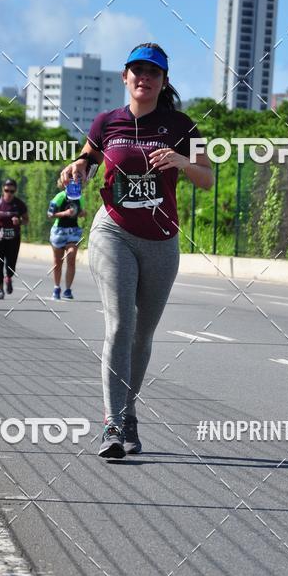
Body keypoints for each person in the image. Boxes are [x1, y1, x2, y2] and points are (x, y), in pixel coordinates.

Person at [60, 42, 213, 459]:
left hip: (162, 239)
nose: (144, 77)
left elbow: (207, 178)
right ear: (125, 77)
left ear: (164, 82)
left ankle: (128, 413)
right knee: (119, 326)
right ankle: (112, 424)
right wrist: (76, 168)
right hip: (114, 231)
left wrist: (181, 162)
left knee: (142, 335)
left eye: (153, 72)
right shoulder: (107, 122)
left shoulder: (181, 125)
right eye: (137, 70)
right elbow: (87, 162)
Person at [0, 178, 28, 300]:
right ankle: (0, 290)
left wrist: (19, 221)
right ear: (2, 189)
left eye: (12, 191)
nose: (9, 193)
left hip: (14, 239)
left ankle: (8, 277)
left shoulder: (19, 204)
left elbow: (27, 220)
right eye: (6, 190)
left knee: (11, 265)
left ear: (15, 191)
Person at [47, 178, 86, 300]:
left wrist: (81, 213)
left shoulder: (80, 198)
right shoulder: (60, 196)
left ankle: (68, 290)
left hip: (73, 231)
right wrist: (64, 213)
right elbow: (49, 214)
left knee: (71, 257)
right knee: (58, 262)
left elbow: (82, 212)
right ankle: (56, 287)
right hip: (59, 232)